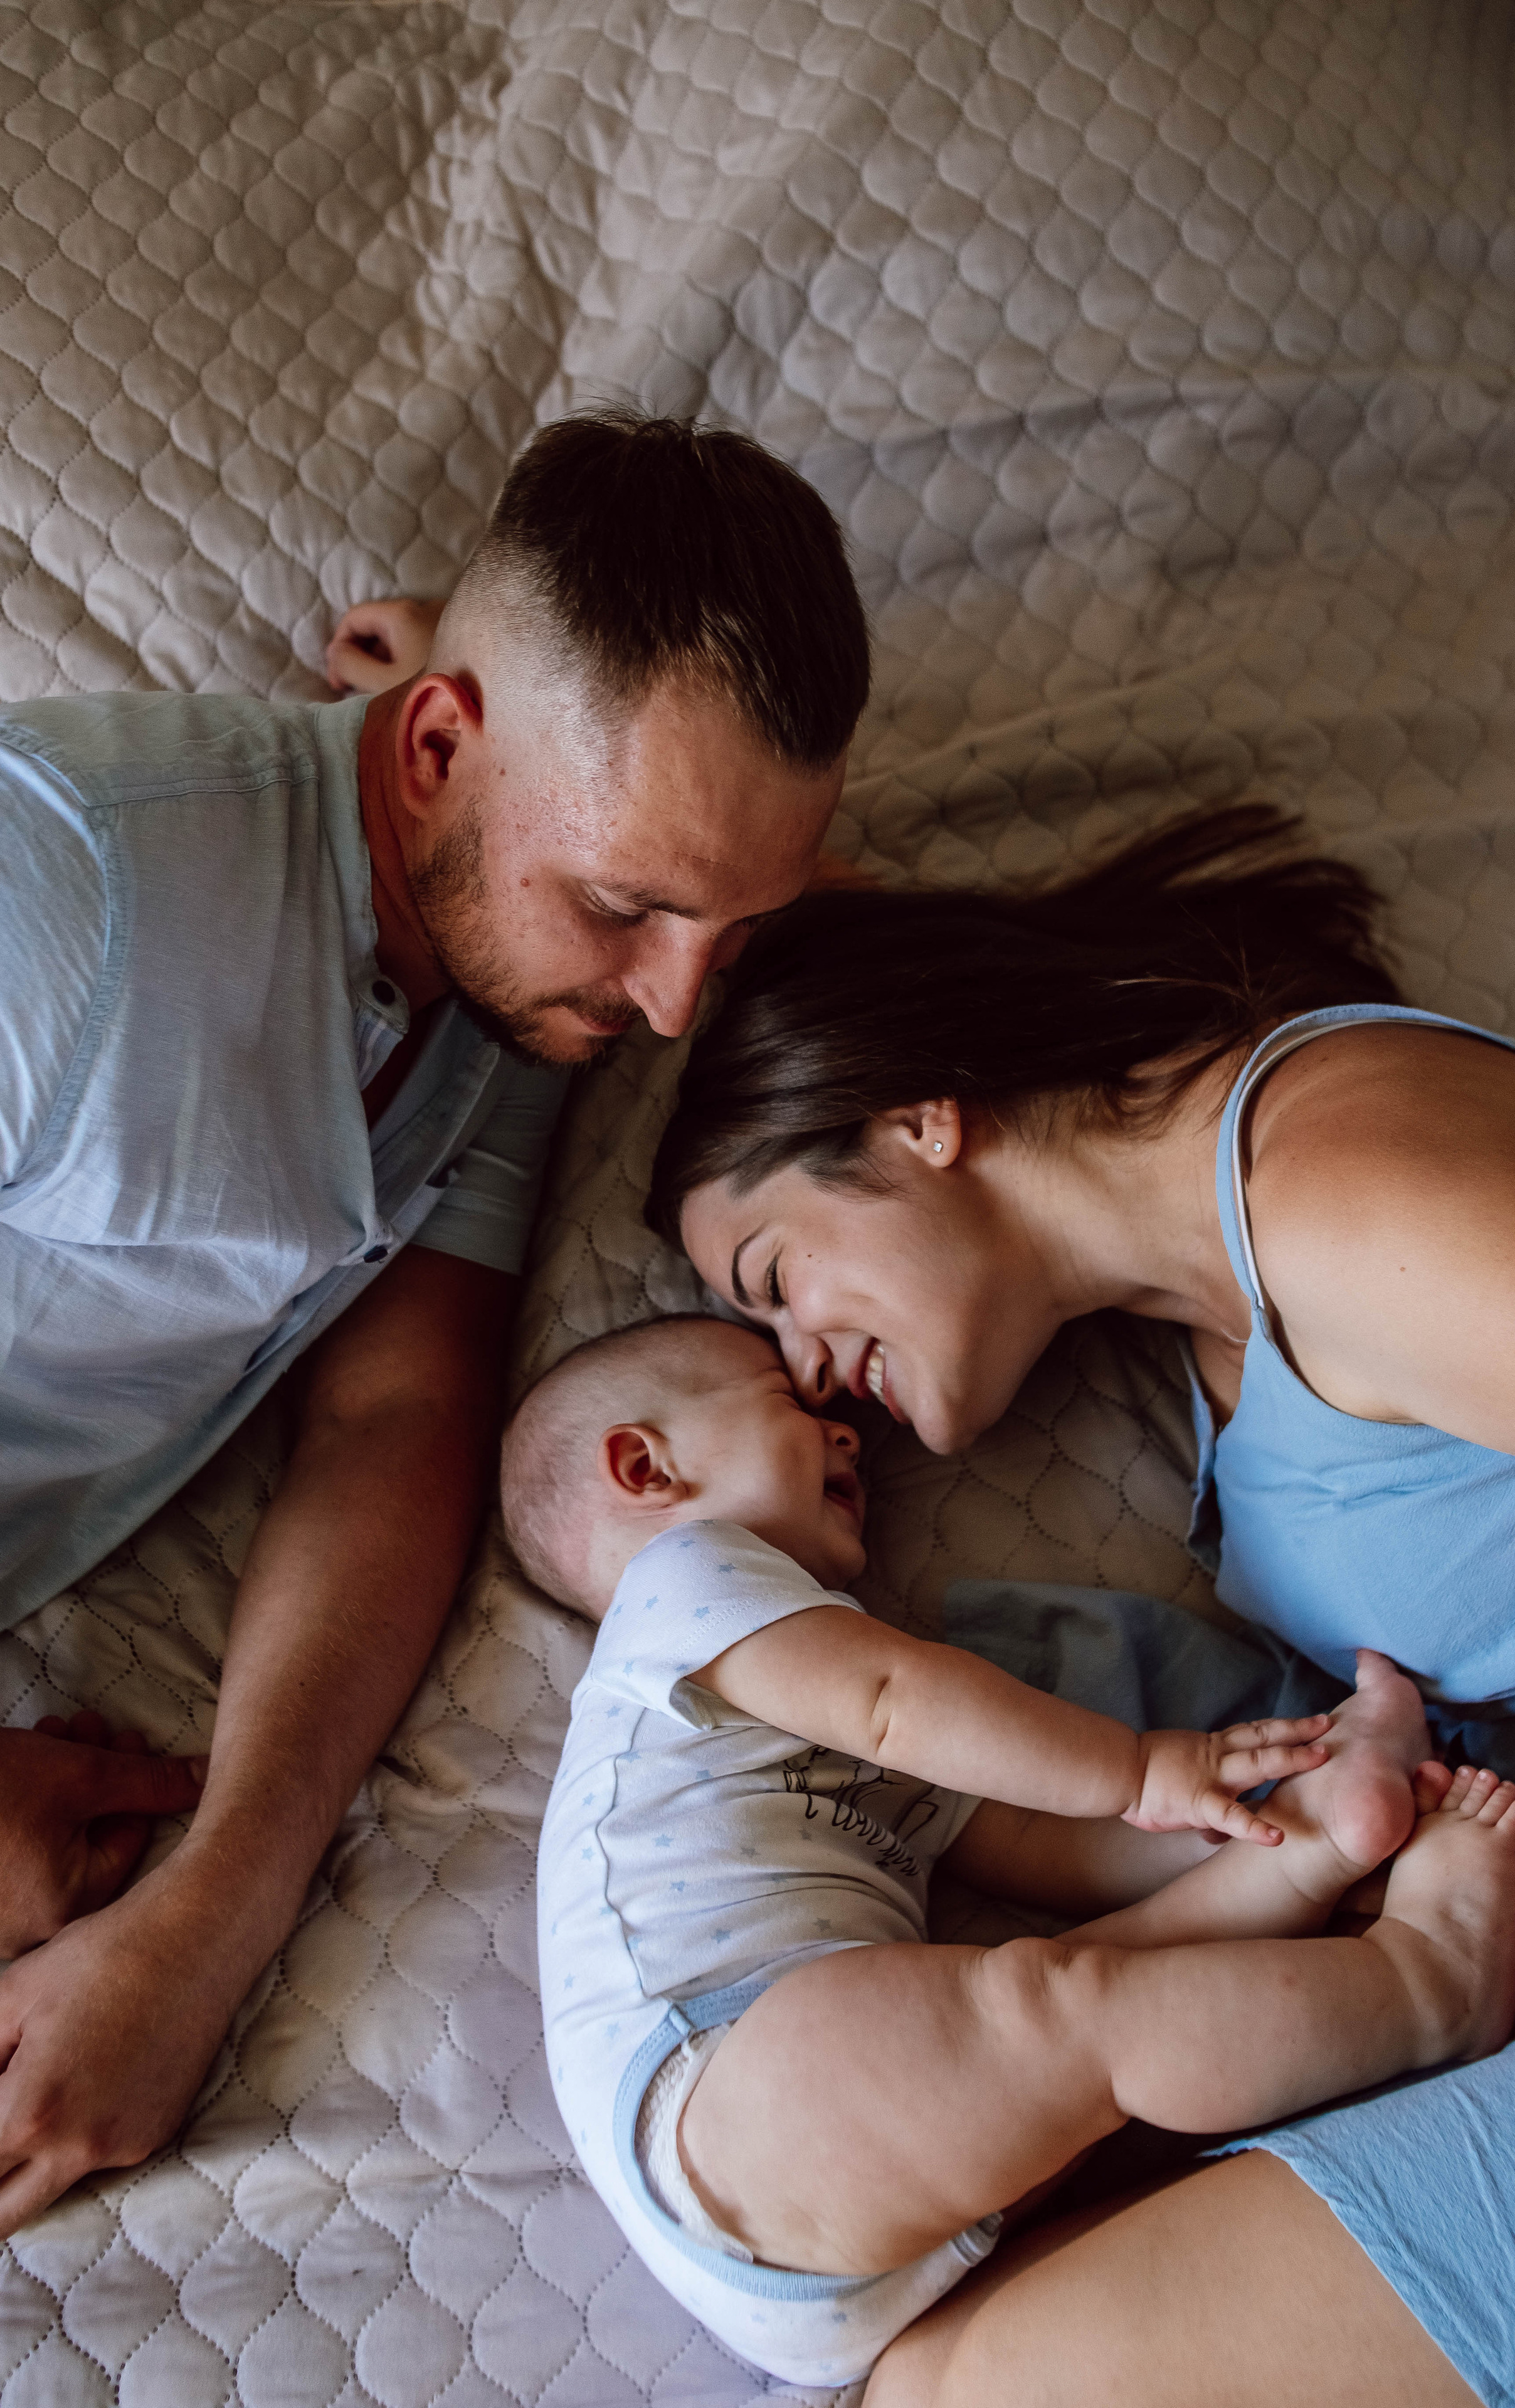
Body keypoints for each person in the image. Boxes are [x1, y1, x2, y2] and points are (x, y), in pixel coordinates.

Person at [0, 409, 868, 2237]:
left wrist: (208, 1921)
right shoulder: (61, 899)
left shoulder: (506, 990)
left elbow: (393, 1425)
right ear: (441, 745)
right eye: (630, 907)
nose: (668, 1008)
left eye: (734, 927)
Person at [646, 802, 1515, 2407]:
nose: (800, 1362)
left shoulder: (1337, 1195)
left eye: (771, 1274)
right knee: (920, 2358)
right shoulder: (1211, 1308)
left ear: (911, 1119)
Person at [512, 1312, 1515, 2390]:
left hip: (858, 2216)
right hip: (718, 2111)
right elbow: (897, 1700)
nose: (848, 1434)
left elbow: (1044, 1845)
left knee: (1098, 1974)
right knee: (1059, 2000)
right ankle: (1423, 1986)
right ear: (645, 1467)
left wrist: (1222, 1819)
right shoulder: (682, 1580)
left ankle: (1316, 1839)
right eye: (792, 1404)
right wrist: (1141, 1768)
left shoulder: (796, 1694)